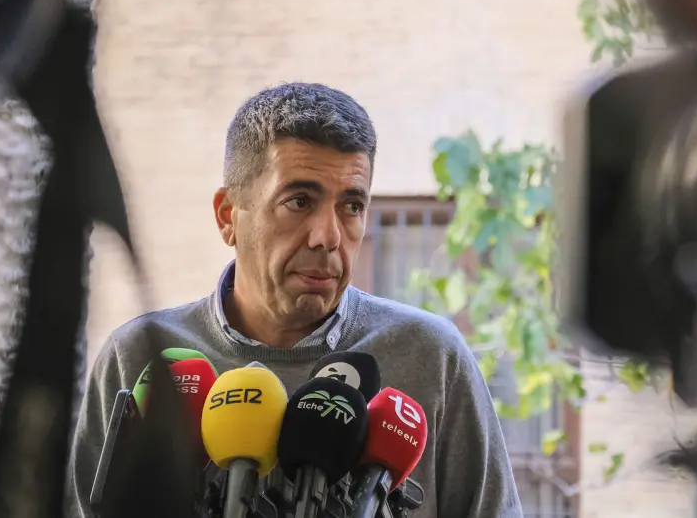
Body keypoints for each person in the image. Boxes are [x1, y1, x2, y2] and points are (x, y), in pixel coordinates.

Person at [68, 82, 522, 517]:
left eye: (352, 206)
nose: (328, 236)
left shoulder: (431, 357)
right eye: (299, 201)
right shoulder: (140, 358)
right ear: (228, 216)